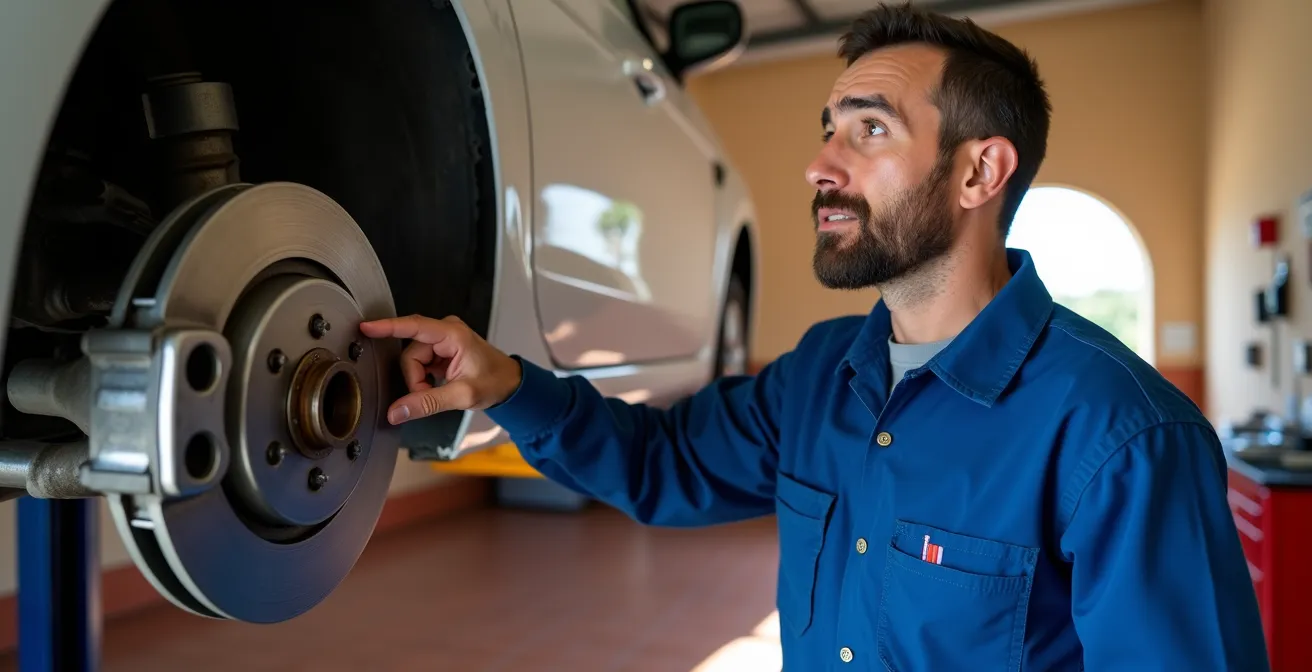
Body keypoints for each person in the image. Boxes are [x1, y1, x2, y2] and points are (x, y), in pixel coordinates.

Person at [360, 3, 1269, 670]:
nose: (819, 164)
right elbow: (660, 462)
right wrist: (508, 384)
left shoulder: (1124, 438)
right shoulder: (821, 375)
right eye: (829, 128)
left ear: (979, 170)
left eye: (869, 128)